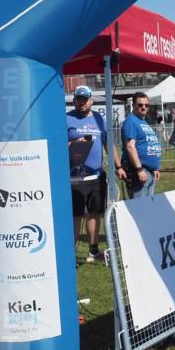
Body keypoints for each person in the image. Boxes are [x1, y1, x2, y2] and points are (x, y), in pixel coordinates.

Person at [67, 85, 118, 264]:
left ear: (91, 100)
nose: (81, 102)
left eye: (84, 99)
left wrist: (118, 166)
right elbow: (57, 145)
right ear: (74, 100)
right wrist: (74, 143)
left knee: (95, 214)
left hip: (96, 176)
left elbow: (108, 144)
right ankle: (69, 255)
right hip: (74, 177)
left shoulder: (99, 118)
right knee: (76, 216)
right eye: (78, 98)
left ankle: (93, 252)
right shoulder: (66, 119)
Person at [121, 93, 162, 198]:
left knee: (148, 208)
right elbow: (130, 146)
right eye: (140, 105)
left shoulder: (143, 122)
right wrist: (139, 169)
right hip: (138, 171)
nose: (143, 107)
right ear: (133, 105)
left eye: (146, 105)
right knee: (139, 208)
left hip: (149, 171)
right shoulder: (131, 121)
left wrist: (155, 168)